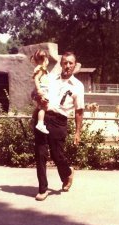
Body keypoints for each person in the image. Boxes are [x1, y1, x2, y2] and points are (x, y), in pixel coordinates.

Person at [34, 51, 84, 201]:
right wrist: (38, 97)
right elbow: (35, 92)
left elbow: (79, 111)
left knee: (57, 155)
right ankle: (43, 189)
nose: (67, 65)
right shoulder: (50, 78)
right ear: (61, 63)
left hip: (59, 121)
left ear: (75, 65)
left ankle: (67, 173)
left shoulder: (78, 86)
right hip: (42, 117)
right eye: (65, 62)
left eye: (70, 63)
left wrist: (77, 132)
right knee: (40, 154)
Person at [30, 49, 50, 134]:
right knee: (43, 107)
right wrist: (39, 90)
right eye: (47, 59)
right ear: (44, 59)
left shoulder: (41, 68)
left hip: (41, 89)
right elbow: (36, 79)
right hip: (42, 89)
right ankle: (40, 123)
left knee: (39, 107)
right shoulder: (41, 68)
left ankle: (33, 120)